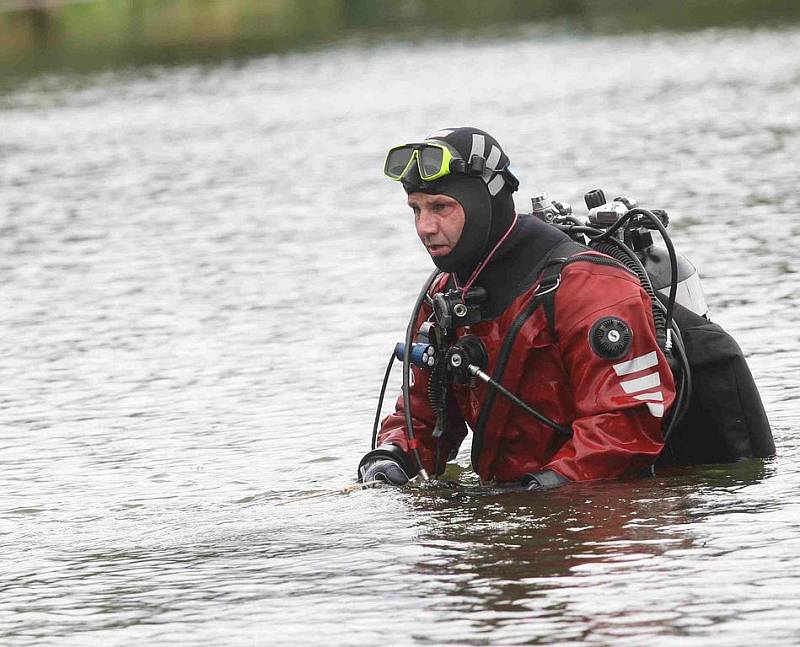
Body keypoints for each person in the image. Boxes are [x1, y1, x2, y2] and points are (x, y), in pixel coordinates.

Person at [358, 127, 675, 490]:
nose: (424, 227)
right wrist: (392, 456)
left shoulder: (590, 288)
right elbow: (423, 414)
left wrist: (535, 494)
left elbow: (624, 428)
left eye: (441, 207)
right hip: (521, 494)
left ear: (484, 204)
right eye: (416, 209)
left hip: (599, 507)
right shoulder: (444, 298)